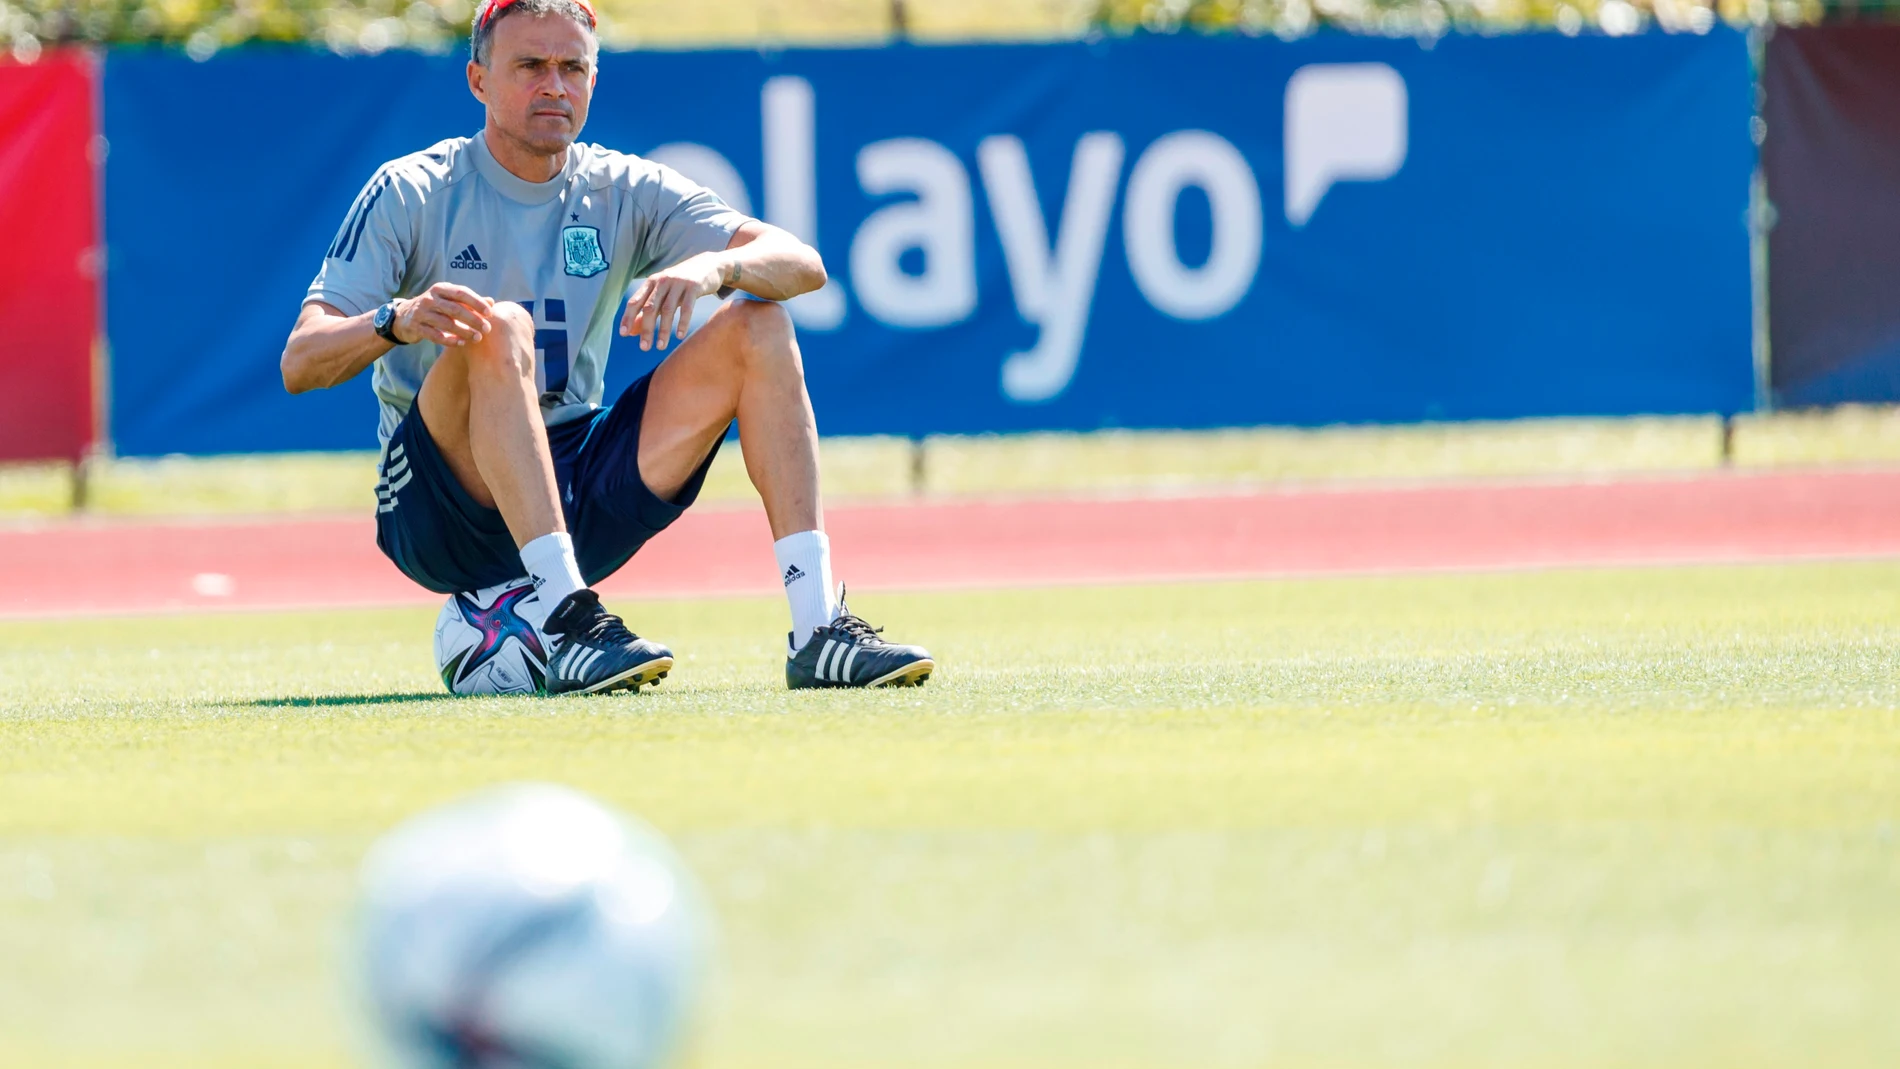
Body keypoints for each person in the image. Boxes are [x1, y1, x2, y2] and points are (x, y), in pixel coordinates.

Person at [280, 0, 933, 695]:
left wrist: (715, 267)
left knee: (760, 323)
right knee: (499, 325)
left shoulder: (620, 188)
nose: (554, 87)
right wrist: (398, 319)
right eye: (530, 66)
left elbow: (802, 263)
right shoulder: (413, 190)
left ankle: (817, 629)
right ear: (478, 81)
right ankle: (565, 619)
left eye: (573, 68)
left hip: (571, 490)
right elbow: (301, 360)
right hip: (441, 511)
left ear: (593, 80)